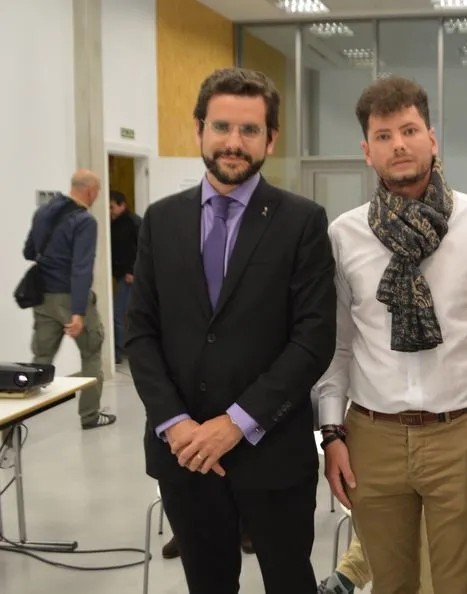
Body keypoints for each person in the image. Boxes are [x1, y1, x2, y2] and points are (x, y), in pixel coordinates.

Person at [125, 67, 336, 594]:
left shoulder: (302, 222)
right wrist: (175, 423)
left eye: (249, 130)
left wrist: (236, 423)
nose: (233, 142)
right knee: (208, 583)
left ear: (271, 138)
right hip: (186, 455)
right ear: (199, 130)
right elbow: (141, 332)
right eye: (222, 127)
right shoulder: (161, 220)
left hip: (272, 453)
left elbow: (313, 340)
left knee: (289, 581)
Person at [315, 76, 467, 594]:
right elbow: (337, 346)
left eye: (409, 130)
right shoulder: (344, 234)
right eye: (383, 135)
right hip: (372, 438)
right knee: (390, 585)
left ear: (432, 138)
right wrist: (332, 434)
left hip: (464, 434)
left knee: (459, 585)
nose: (398, 144)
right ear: (367, 151)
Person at [23, 169, 112, 429]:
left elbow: (29, 251)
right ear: (90, 191)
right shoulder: (85, 221)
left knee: (41, 357)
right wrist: (78, 312)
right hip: (70, 297)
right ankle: (90, 416)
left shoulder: (43, 212)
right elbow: (81, 268)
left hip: (42, 298)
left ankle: (21, 418)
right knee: (92, 353)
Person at [109, 190, 141, 363]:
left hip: (129, 277)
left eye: (112, 207)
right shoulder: (114, 223)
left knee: (118, 313)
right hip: (120, 275)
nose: (110, 211)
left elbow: (143, 250)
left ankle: (118, 352)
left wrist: (133, 271)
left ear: (122, 205)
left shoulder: (133, 223)